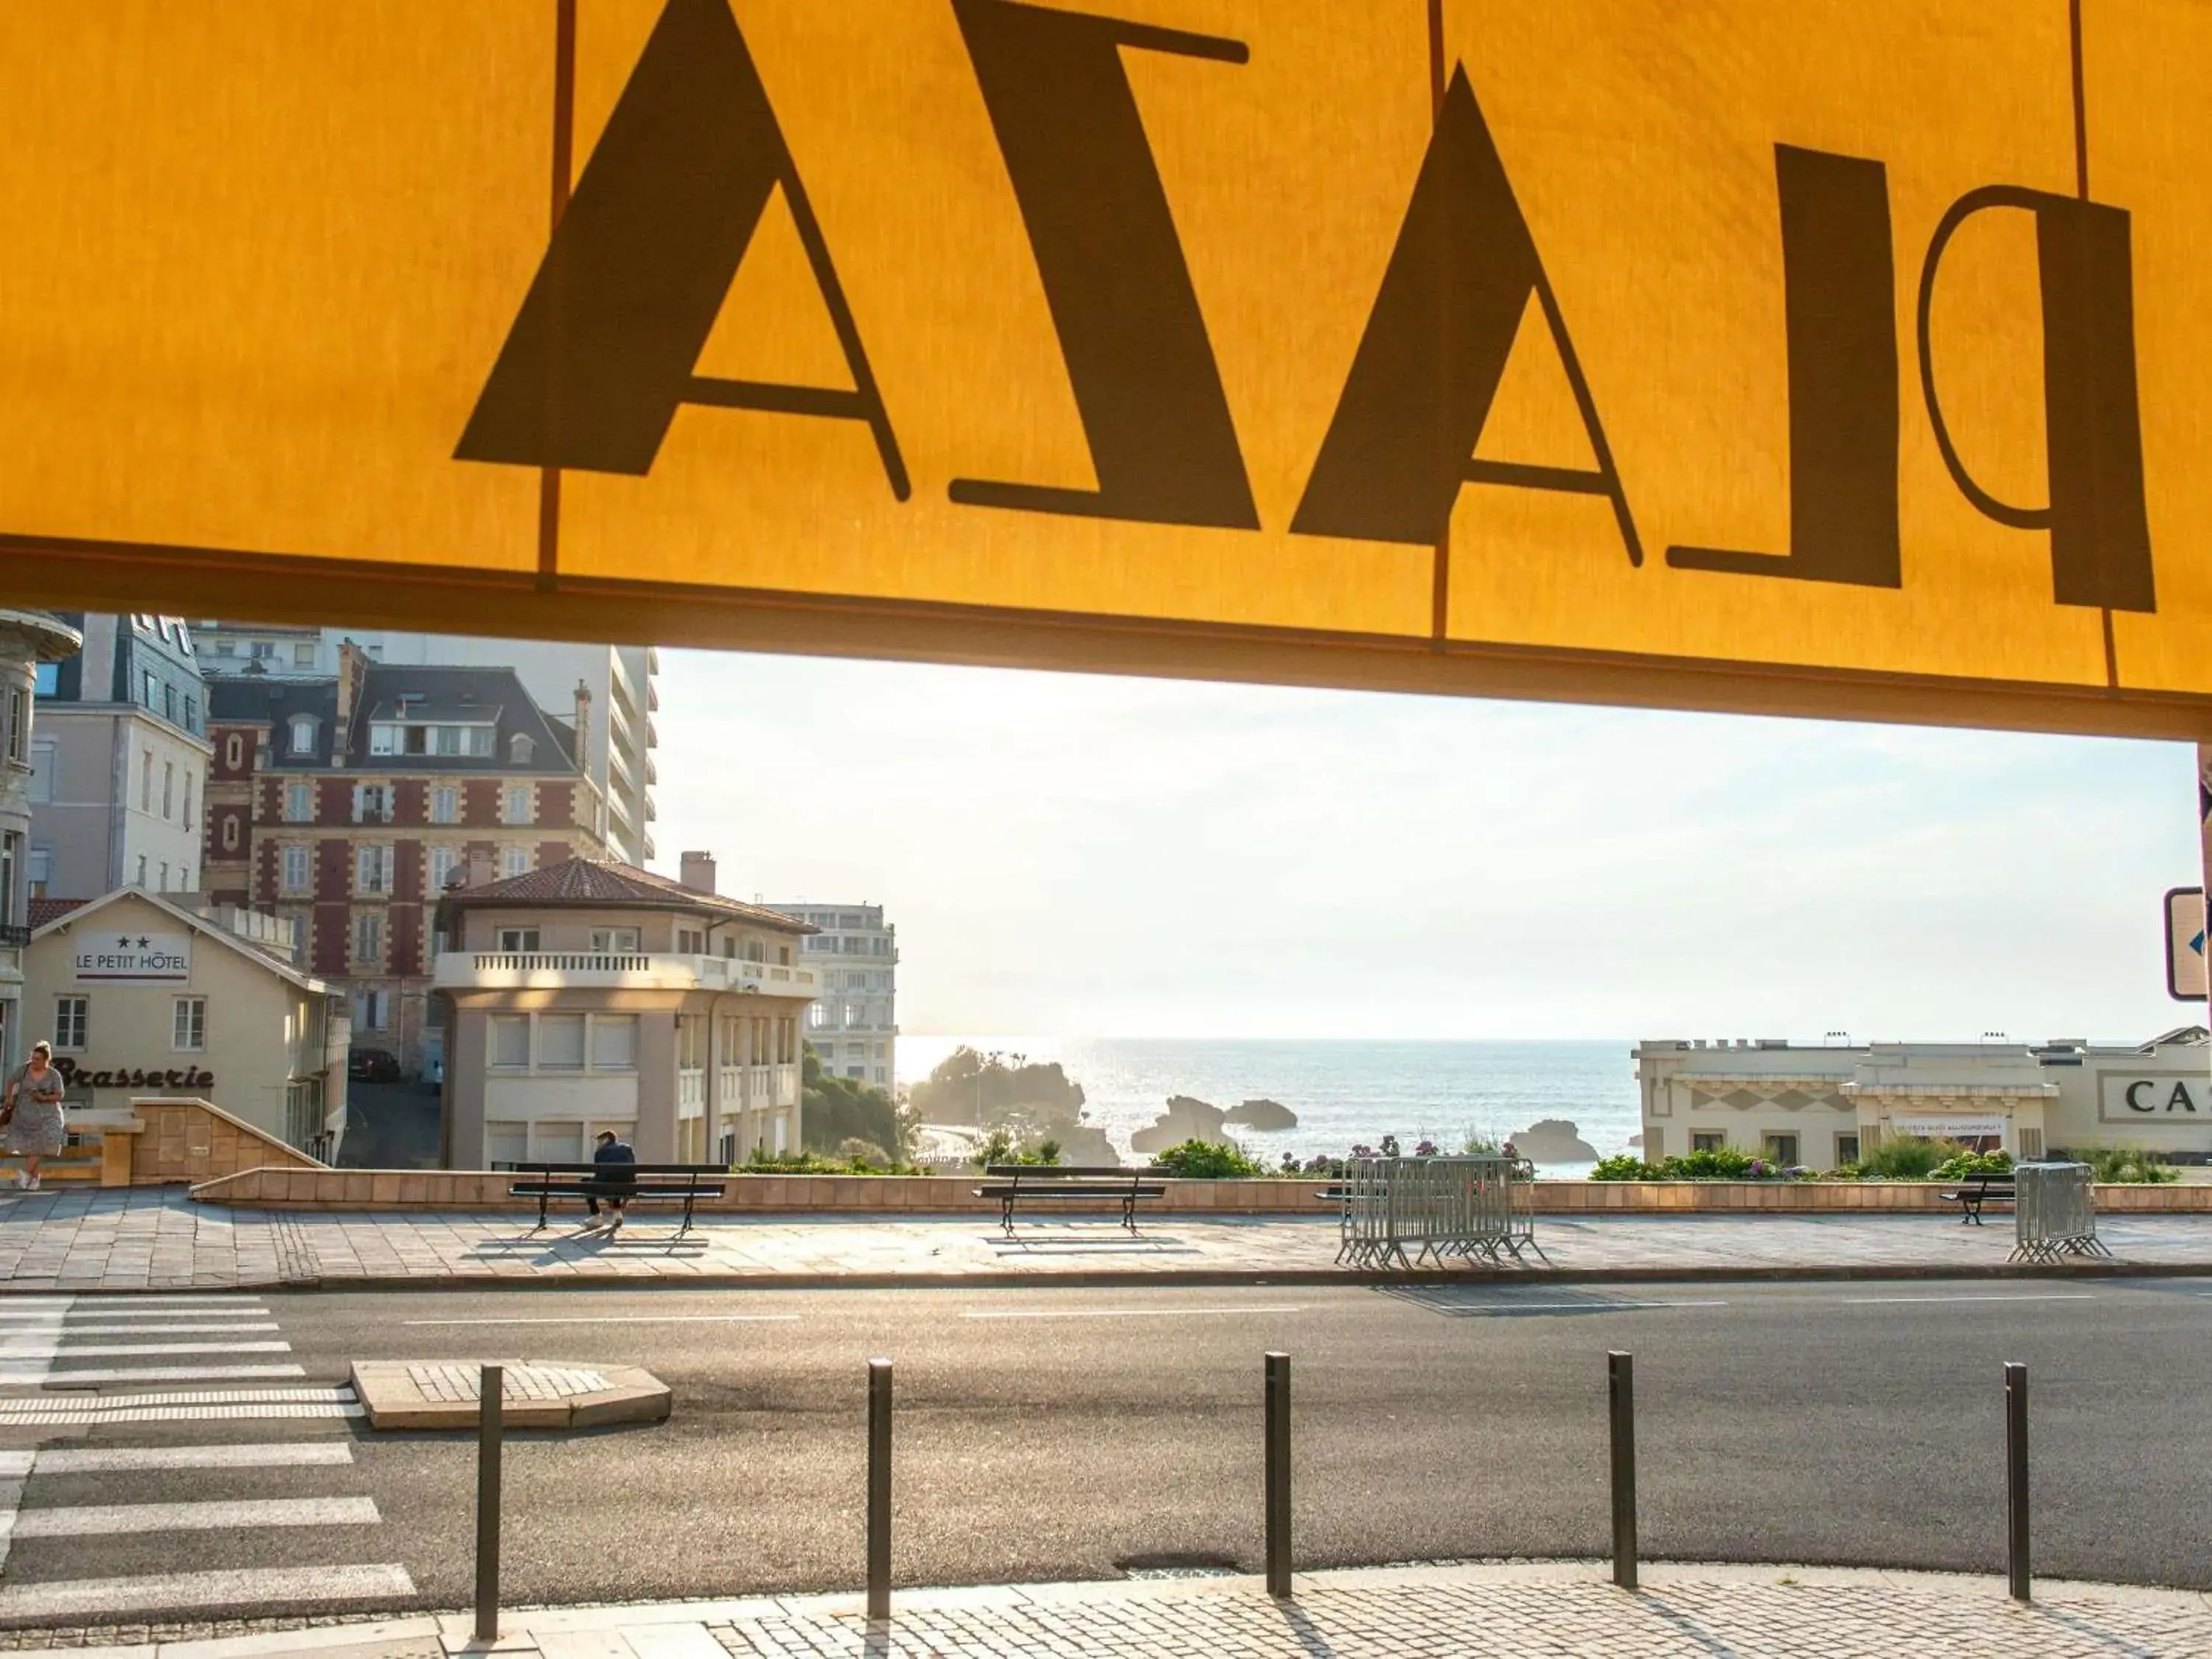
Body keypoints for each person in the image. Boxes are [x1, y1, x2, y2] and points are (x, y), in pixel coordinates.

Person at [1, 1041, 69, 1191]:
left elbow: (60, 1095)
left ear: (46, 1060)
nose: (34, 1061)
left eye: (38, 1059)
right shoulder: (24, 1070)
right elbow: (11, 1080)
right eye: (33, 1058)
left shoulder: (53, 1074)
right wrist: (9, 1097)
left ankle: (26, 1175)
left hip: (48, 1114)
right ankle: (34, 1180)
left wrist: (43, 1098)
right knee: (29, 1145)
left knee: (45, 1139)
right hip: (24, 1113)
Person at [583, 1128, 636, 1234]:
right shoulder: (627, 1148)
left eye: (599, 1141)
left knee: (586, 1183)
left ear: (605, 1140)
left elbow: (599, 1175)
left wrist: (609, 1199)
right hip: (628, 1187)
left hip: (608, 1186)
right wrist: (626, 1201)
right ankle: (617, 1213)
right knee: (617, 1179)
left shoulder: (600, 1151)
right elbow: (632, 1173)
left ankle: (597, 1216)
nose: (598, 1144)